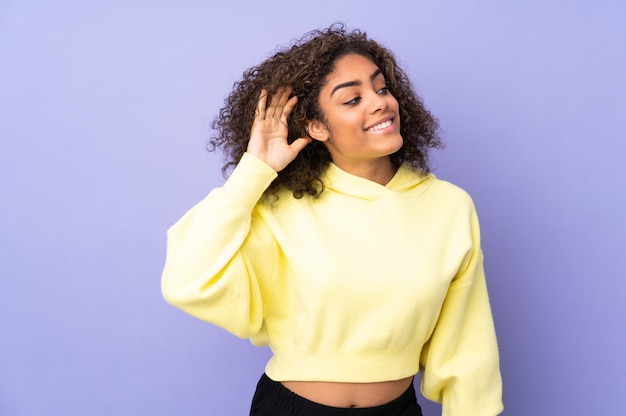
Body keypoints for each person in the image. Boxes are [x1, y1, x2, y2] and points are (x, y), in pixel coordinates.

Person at [161, 24, 503, 416]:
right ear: (316, 126)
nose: (379, 103)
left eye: (381, 88)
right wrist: (254, 171)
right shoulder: (281, 207)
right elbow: (187, 281)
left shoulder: (449, 206)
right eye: (352, 99)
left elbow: (466, 349)